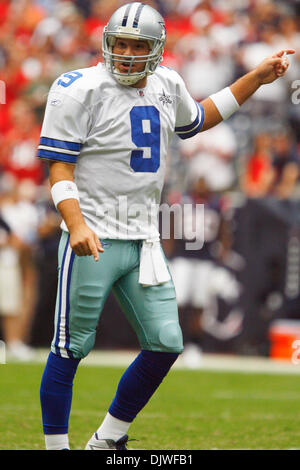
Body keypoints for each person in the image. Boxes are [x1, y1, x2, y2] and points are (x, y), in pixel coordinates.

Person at [37, 2, 293, 450]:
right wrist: (74, 224)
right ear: (106, 42)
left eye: (139, 45)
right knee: (69, 347)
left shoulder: (166, 82)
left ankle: (108, 438)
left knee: (166, 343)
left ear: (156, 49)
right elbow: (59, 168)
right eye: (121, 44)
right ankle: (55, 448)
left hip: (144, 238)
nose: (128, 54)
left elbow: (198, 120)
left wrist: (254, 78)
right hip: (93, 233)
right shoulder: (77, 88)